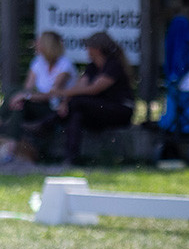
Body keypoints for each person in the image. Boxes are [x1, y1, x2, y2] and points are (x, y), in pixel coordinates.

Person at [0, 31, 75, 152]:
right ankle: (11, 147)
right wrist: (24, 96)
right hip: (38, 103)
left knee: (15, 94)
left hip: (54, 109)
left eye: (38, 42)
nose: (35, 45)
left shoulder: (64, 65)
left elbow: (52, 94)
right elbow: (27, 88)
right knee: (18, 103)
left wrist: (26, 96)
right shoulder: (38, 62)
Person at [47, 30, 134, 165]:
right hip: (100, 111)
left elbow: (93, 89)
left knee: (79, 103)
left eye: (88, 47)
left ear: (97, 49)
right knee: (76, 114)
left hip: (120, 111)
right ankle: (70, 158)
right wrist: (65, 101)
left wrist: (61, 93)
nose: (86, 50)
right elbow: (78, 87)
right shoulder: (93, 67)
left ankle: (48, 123)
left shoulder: (113, 65)